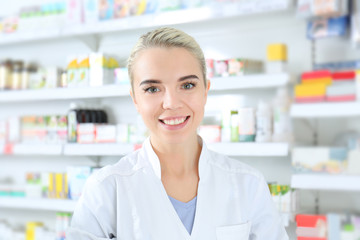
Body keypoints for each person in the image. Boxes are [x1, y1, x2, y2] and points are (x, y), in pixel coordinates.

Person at [67, 27, 289, 240]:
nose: (171, 103)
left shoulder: (248, 185)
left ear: (206, 91)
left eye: (188, 85)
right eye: (152, 89)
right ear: (135, 98)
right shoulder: (106, 190)